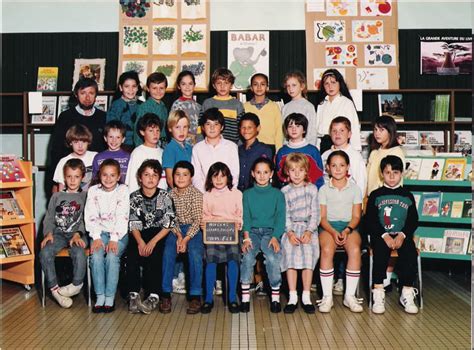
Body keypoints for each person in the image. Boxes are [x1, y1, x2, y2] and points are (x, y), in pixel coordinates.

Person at [366, 155, 419, 314]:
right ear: (382, 173)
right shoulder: (375, 195)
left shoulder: (407, 195)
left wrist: (402, 235)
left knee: (409, 253)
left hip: (402, 235)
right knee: (380, 253)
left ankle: (407, 292)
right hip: (382, 236)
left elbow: (413, 220)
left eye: (395, 172)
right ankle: (378, 292)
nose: (391, 176)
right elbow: (370, 220)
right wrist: (384, 235)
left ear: (401, 173)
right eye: (387, 172)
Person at [127, 159, 176, 315]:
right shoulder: (134, 197)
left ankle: (154, 295)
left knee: (155, 256)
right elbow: (133, 222)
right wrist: (141, 242)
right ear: (140, 177)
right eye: (146, 175)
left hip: (159, 234)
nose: (150, 178)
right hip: (139, 233)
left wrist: (153, 242)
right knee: (132, 254)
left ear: (159, 178)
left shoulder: (165, 196)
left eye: (154, 175)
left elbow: (168, 223)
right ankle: (133, 294)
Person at [317, 150, 363, 313]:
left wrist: (348, 229)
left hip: (349, 226)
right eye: (334, 166)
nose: (338, 169)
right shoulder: (323, 190)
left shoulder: (355, 189)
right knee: (328, 249)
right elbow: (322, 218)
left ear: (348, 167)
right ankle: (327, 297)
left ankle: (349, 296)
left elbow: (357, 216)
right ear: (328, 168)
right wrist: (333, 231)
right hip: (328, 227)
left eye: (342, 165)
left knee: (355, 249)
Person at [39, 159, 88, 308]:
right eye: (69, 176)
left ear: (82, 177)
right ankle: (55, 290)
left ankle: (76, 285)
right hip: (58, 233)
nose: (72, 180)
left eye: (76, 176)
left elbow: (87, 218)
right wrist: (48, 233)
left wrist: (78, 233)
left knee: (79, 253)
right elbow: (48, 217)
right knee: (45, 252)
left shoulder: (85, 196)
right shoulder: (56, 197)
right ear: (64, 177)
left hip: (77, 234)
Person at [240, 157, 285, 314]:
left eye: (265, 172)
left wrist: (275, 236)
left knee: (272, 257)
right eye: (258, 172)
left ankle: (275, 297)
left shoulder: (278, 195)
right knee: (247, 257)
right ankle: (245, 298)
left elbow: (280, 218)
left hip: (270, 232)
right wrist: (246, 237)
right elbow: (245, 217)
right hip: (251, 232)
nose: (262, 175)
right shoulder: (247, 194)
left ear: (271, 173)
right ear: (253, 173)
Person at [85, 159, 129, 313]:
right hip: (99, 232)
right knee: (96, 256)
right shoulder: (93, 191)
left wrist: (114, 239)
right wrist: (96, 237)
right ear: (99, 175)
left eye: (112, 175)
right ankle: (100, 296)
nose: (108, 179)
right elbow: (90, 215)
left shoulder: (123, 190)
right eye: (105, 175)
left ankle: (110, 297)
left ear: (118, 176)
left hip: (119, 233)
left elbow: (122, 216)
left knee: (111, 256)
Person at [49, 78, 107, 190]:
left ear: (96, 95)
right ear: (76, 95)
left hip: (95, 176)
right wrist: (55, 184)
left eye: (91, 93)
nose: (87, 97)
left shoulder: (103, 117)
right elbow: (56, 150)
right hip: (70, 176)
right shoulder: (65, 117)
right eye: (83, 93)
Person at [280, 153, 320, 314]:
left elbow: (316, 213)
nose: (296, 173)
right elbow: (284, 215)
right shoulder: (284, 191)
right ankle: (292, 296)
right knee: (289, 253)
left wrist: (310, 231)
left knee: (308, 253)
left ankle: (305, 295)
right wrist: (289, 233)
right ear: (287, 172)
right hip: (290, 229)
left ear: (306, 172)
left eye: (300, 170)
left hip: (308, 229)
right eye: (292, 170)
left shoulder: (312, 189)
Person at [200, 162, 243, 314]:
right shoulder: (207, 195)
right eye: (215, 176)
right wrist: (204, 224)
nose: (219, 180)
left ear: (228, 178)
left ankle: (232, 298)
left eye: (222, 176)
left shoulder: (236, 194)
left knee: (233, 261)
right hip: (213, 232)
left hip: (231, 232)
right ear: (210, 178)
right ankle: (208, 300)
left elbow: (239, 214)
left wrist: (238, 224)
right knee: (210, 262)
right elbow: (204, 215)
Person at [164, 161, 204, 314]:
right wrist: (179, 235)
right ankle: (165, 293)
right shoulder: (169, 195)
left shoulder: (196, 194)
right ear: (173, 177)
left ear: (191, 177)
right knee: (168, 251)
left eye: (185, 175)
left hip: (193, 231)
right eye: (177, 175)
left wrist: (186, 238)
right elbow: (170, 218)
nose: (181, 178)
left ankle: (195, 295)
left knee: (195, 254)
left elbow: (197, 220)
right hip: (176, 230)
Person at [191, 108, 239, 193]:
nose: (212, 128)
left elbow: (235, 174)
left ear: (222, 127)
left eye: (216, 124)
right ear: (202, 127)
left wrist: (229, 192)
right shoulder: (197, 148)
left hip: (227, 194)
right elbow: (196, 176)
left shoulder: (232, 147)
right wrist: (206, 194)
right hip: (205, 195)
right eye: (208, 124)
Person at [315, 69, 361, 153]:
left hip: (340, 145)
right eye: (326, 84)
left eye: (333, 82)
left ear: (340, 83)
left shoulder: (347, 103)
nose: (330, 86)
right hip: (323, 146)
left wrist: (355, 151)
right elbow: (317, 132)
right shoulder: (321, 104)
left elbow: (354, 128)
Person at [321, 116, 367, 201]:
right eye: (334, 131)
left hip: (348, 202)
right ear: (330, 133)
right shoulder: (325, 155)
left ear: (349, 134)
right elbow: (323, 179)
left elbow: (361, 184)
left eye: (342, 130)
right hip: (329, 202)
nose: (337, 134)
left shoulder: (355, 156)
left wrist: (357, 205)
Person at [275, 113, 324, 188]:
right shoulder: (282, 152)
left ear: (304, 130)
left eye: (297, 126)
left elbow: (319, 177)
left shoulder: (313, 151)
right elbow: (280, 176)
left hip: (310, 193)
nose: (293, 129)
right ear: (286, 130)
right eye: (290, 126)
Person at [126, 113, 167, 193]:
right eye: (151, 131)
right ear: (142, 132)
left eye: (157, 130)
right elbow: (132, 182)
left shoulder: (163, 152)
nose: (155, 134)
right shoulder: (138, 153)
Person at [201, 67, 244, 144]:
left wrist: (239, 147)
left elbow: (241, 128)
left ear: (231, 85)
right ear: (214, 85)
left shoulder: (237, 104)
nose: (222, 86)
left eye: (226, 83)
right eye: (219, 83)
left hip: (231, 146)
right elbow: (200, 127)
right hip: (211, 145)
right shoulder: (207, 103)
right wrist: (201, 144)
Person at [243, 73, 283, 154]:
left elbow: (279, 131)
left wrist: (278, 151)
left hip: (270, 146)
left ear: (267, 87)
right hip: (250, 146)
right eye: (255, 84)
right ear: (251, 87)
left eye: (262, 84)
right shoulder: (245, 106)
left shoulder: (274, 106)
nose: (259, 87)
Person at [366, 115, 405, 196]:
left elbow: (396, 179)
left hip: (388, 198)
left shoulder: (396, 152)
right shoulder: (374, 152)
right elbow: (367, 177)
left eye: (381, 130)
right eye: (375, 129)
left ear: (390, 131)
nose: (377, 133)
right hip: (372, 197)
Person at [53, 124, 97, 192]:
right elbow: (61, 187)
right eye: (76, 142)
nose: (80, 146)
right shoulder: (64, 161)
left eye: (84, 142)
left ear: (88, 142)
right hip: (73, 199)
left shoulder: (95, 156)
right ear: (70, 143)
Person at [106, 71, 142, 149]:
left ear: (138, 87)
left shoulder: (142, 105)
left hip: (141, 145)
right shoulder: (116, 106)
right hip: (122, 146)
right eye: (127, 86)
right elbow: (111, 129)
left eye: (134, 86)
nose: (131, 90)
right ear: (121, 87)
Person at [237, 112, 272, 191]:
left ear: (258, 128)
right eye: (243, 127)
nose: (246, 130)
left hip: (255, 192)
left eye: (250, 127)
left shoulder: (265, 150)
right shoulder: (238, 150)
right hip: (238, 192)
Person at [281, 71, 317, 146]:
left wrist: (309, 148)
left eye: (294, 85)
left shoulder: (308, 106)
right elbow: (283, 131)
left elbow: (311, 132)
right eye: (288, 86)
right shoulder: (285, 107)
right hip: (289, 146)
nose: (290, 89)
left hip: (304, 147)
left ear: (302, 86)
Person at [134, 72, 168, 147]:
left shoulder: (164, 107)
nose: (158, 91)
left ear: (165, 88)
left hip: (162, 145)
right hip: (148, 146)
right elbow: (137, 131)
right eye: (154, 88)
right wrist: (139, 148)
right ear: (148, 89)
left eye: (161, 88)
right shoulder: (144, 107)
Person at [162, 110, 193, 188]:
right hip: (177, 194)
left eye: (185, 127)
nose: (181, 131)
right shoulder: (170, 149)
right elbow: (170, 179)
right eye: (177, 127)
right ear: (170, 128)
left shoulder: (190, 148)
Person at [170, 70, 202, 145]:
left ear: (194, 85)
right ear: (179, 86)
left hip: (198, 145)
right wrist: (190, 136)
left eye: (190, 84)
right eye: (183, 84)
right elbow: (173, 127)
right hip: (183, 144)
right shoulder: (177, 105)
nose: (187, 87)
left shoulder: (198, 106)